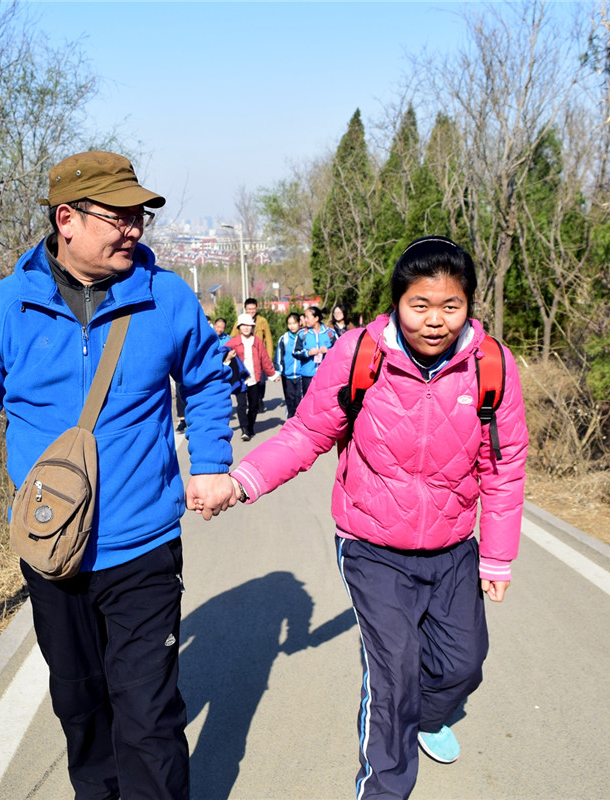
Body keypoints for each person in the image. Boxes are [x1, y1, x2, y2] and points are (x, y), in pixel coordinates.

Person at [0, 150, 239, 800]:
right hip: (51, 552)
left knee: (148, 718)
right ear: (67, 219)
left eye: (138, 216)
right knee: (83, 711)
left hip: (143, 549)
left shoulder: (165, 298)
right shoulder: (6, 310)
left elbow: (208, 378)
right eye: (119, 216)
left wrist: (210, 463)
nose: (134, 229)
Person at [225, 236, 528, 800]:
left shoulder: (491, 365)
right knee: (392, 674)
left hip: (453, 544)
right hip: (371, 544)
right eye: (420, 305)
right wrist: (245, 481)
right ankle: (383, 788)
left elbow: (504, 467)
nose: (435, 321)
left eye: (450, 306)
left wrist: (497, 555)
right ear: (397, 303)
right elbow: (308, 432)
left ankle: (429, 716)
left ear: (469, 306)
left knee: (464, 665)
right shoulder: (361, 354)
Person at [225, 312, 279, 440]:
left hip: (254, 378)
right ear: (238, 327)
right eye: (243, 325)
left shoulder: (258, 342)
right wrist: (227, 357)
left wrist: (272, 374)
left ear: (252, 327)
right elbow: (221, 355)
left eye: (249, 325)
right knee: (241, 405)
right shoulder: (233, 342)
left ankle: (250, 425)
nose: (246, 328)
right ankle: (244, 429)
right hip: (240, 380)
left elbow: (264, 359)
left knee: (254, 405)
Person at [294, 305, 337, 397]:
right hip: (307, 376)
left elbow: (340, 351)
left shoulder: (330, 333)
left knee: (324, 401)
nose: (305, 320)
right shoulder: (302, 334)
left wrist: (329, 351)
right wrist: (308, 353)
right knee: (307, 401)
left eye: (307, 317)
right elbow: (295, 353)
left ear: (316, 318)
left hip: (326, 376)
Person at [275, 312, 305, 418]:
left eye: (294, 323)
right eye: (289, 323)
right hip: (287, 376)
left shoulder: (304, 336)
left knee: (300, 400)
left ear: (299, 323)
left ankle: (299, 423)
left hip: (301, 375)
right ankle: (290, 422)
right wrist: (278, 371)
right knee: (290, 400)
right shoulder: (284, 339)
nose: (292, 326)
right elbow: (279, 356)